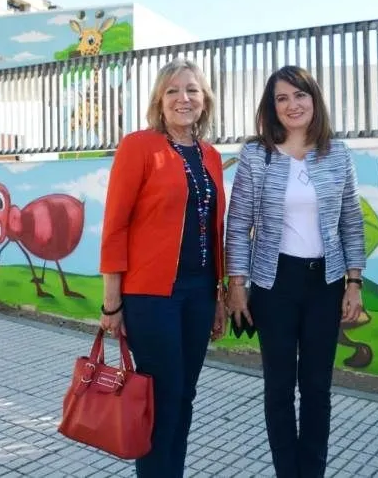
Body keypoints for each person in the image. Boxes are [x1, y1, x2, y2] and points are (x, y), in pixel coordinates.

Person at [225, 65, 366, 478]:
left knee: (318, 389)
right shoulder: (256, 155)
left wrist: (353, 282)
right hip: (274, 283)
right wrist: (237, 283)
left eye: (299, 95)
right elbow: (238, 222)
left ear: (313, 100)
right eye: (281, 98)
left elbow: (351, 222)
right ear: (272, 107)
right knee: (280, 389)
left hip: (326, 282)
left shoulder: (336, 153)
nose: (292, 105)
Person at [98, 57, 229, 478]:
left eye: (191, 89)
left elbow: (213, 228)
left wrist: (219, 296)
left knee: (184, 395)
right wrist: (111, 302)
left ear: (204, 99)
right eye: (172, 90)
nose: (182, 98)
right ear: (159, 99)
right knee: (161, 396)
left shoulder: (210, 156)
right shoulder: (139, 146)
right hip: (151, 295)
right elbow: (115, 224)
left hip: (199, 292)